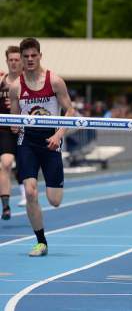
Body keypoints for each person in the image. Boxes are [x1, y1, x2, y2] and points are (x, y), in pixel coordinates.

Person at [9, 37, 75, 256]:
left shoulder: (54, 81)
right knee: (30, 192)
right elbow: (13, 117)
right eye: (25, 56)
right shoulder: (16, 86)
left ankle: (54, 182)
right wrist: (14, 126)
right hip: (27, 142)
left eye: (33, 56)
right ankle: (41, 241)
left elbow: (70, 111)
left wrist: (59, 134)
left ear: (39, 56)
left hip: (50, 142)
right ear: (21, 59)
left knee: (54, 201)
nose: (29, 60)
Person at [1, 46, 24, 219]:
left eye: (17, 60)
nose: (14, 63)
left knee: (24, 168)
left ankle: (27, 192)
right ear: (7, 61)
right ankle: (6, 206)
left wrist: (18, 106)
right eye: (11, 60)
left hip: (24, 128)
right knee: (6, 162)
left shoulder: (28, 81)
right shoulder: (1, 81)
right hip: (5, 128)